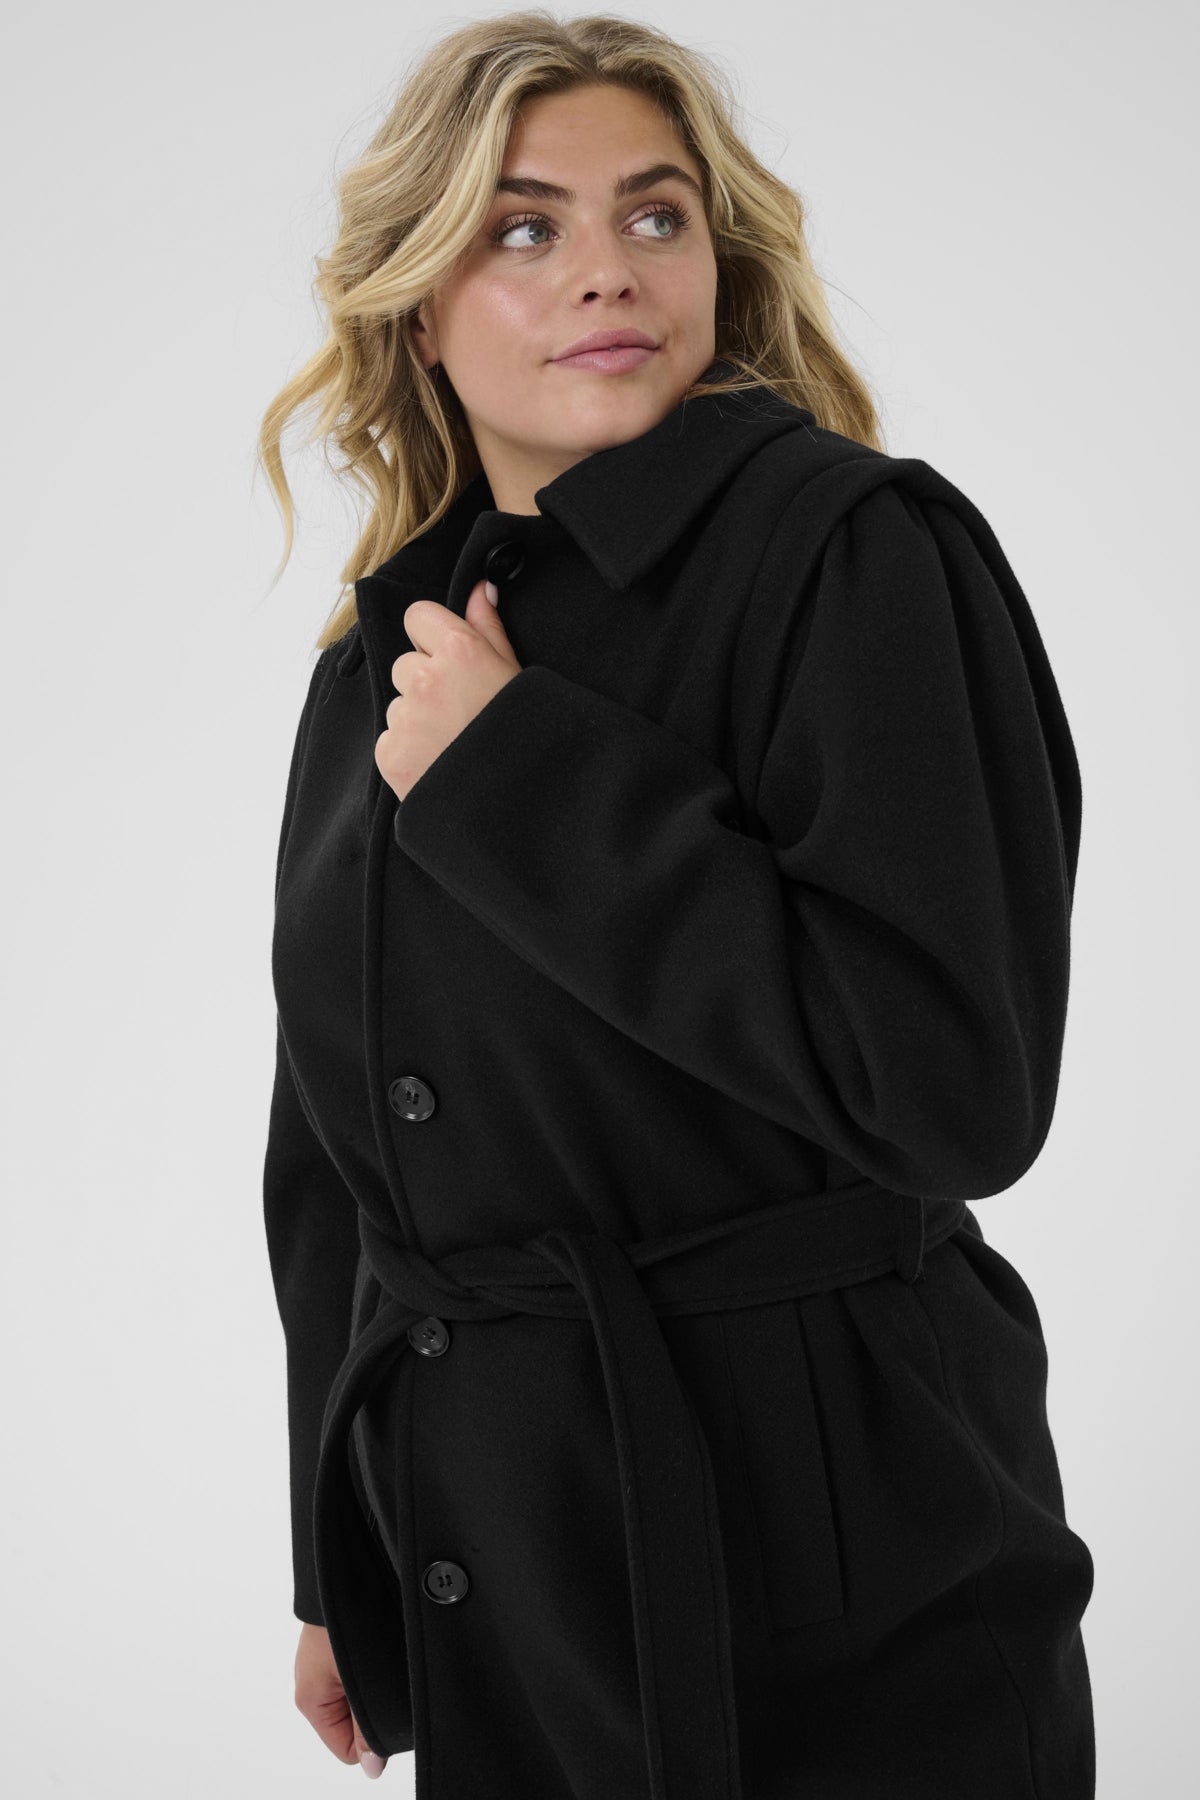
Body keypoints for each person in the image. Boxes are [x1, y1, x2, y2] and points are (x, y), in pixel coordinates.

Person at [256, 12, 1097, 1797]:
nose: (606, 271)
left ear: (721, 260)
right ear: (420, 305)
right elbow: (337, 1154)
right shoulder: (392, 649)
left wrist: (525, 783)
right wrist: (340, 1552)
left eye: (655, 215)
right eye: (523, 226)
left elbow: (956, 1088)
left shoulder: (855, 554)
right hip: (502, 1563)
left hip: (838, 1564)